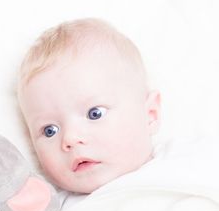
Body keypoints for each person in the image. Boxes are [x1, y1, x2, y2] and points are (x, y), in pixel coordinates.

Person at [17, 18, 161, 195]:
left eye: (95, 114)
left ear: (150, 115)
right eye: (50, 130)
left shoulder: (185, 165)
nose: (70, 138)